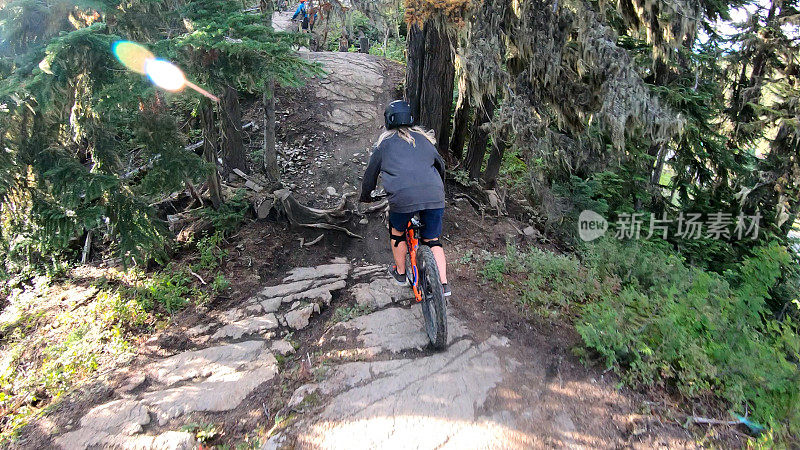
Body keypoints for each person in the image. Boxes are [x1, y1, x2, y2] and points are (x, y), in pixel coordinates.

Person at [359, 100, 451, 297]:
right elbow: (440, 166)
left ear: (388, 121)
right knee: (433, 240)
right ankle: (443, 285)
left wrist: (366, 196)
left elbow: (370, 176)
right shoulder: (424, 139)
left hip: (402, 198)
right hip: (435, 195)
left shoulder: (383, 144)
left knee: (397, 233)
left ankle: (401, 274)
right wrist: (439, 191)